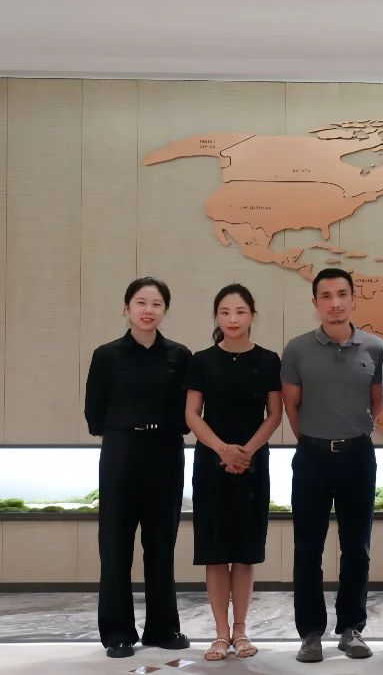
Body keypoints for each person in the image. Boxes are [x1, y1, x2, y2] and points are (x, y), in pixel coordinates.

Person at [84, 277, 192, 659]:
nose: (148, 310)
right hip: (121, 451)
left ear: (165, 310)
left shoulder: (180, 356)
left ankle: (163, 628)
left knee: (161, 544)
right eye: (141, 302)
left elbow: (188, 413)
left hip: (166, 452)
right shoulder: (106, 355)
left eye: (157, 304)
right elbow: (93, 414)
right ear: (126, 307)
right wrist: (125, 428)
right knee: (115, 544)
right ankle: (117, 632)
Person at [282, 267, 383, 663]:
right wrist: (313, 437)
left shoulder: (375, 348)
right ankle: (310, 634)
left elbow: (377, 399)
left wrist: (358, 429)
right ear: (315, 303)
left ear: (353, 300)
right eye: (326, 296)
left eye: (342, 294)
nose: (335, 303)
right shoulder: (297, 349)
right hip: (312, 456)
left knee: (357, 547)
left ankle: (351, 628)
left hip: (358, 456)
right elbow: (292, 405)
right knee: (308, 548)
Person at [184, 284, 282, 661]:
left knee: (244, 551)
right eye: (225, 312)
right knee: (215, 552)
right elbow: (192, 414)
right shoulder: (202, 360)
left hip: (253, 464)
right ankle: (220, 634)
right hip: (211, 463)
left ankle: (241, 630)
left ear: (252, 315)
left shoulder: (268, 360)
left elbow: (274, 415)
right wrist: (223, 449)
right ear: (216, 317)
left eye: (240, 311)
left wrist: (246, 452)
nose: (233, 319)